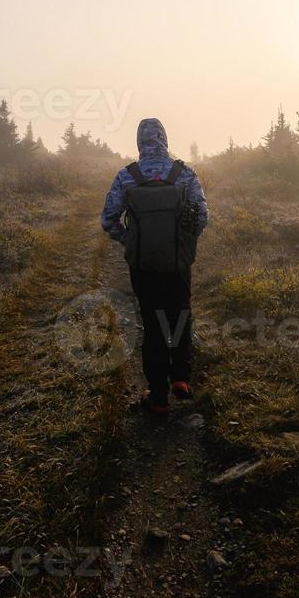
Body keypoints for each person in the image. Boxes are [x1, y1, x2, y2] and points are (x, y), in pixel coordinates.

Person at [101, 118, 209, 415]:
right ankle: (182, 378)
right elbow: (201, 218)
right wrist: (182, 244)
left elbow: (108, 220)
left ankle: (158, 397)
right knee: (179, 314)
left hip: (144, 266)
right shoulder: (184, 173)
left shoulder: (127, 176)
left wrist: (131, 241)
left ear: (140, 142)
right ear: (164, 139)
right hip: (178, 264)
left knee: (152, 321)